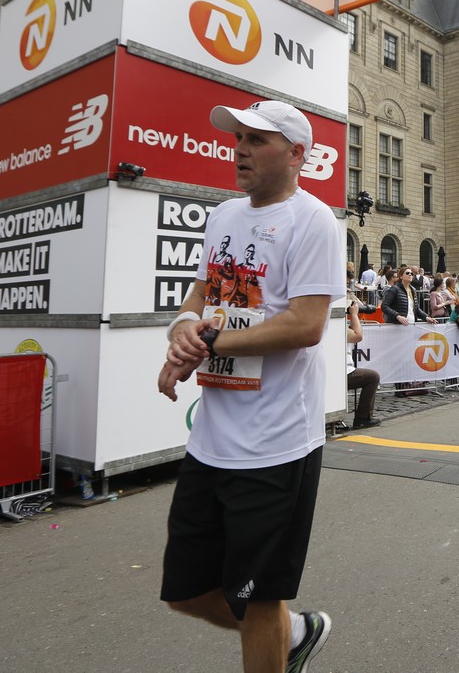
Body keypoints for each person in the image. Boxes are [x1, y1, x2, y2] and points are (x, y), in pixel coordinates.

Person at [156, 100, 341, 673]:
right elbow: (202, 295)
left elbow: (306, 325)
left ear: (296, 154)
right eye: (238, 138)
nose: (239, 148)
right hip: (211, 441)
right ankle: (296, 633)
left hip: (276, 445)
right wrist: (183, 332)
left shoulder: (314, 220)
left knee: (259, 602)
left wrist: (210, 342)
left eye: (257, 140)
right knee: (185, 592)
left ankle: (279, 632)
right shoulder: (222, 216)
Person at [345, 296, 380, 430]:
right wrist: (354, 314)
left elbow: (353, 331)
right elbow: (358, 335)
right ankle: (362, 418)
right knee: (373, 377)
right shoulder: (338, 328)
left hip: (335, 372)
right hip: (343, 373)